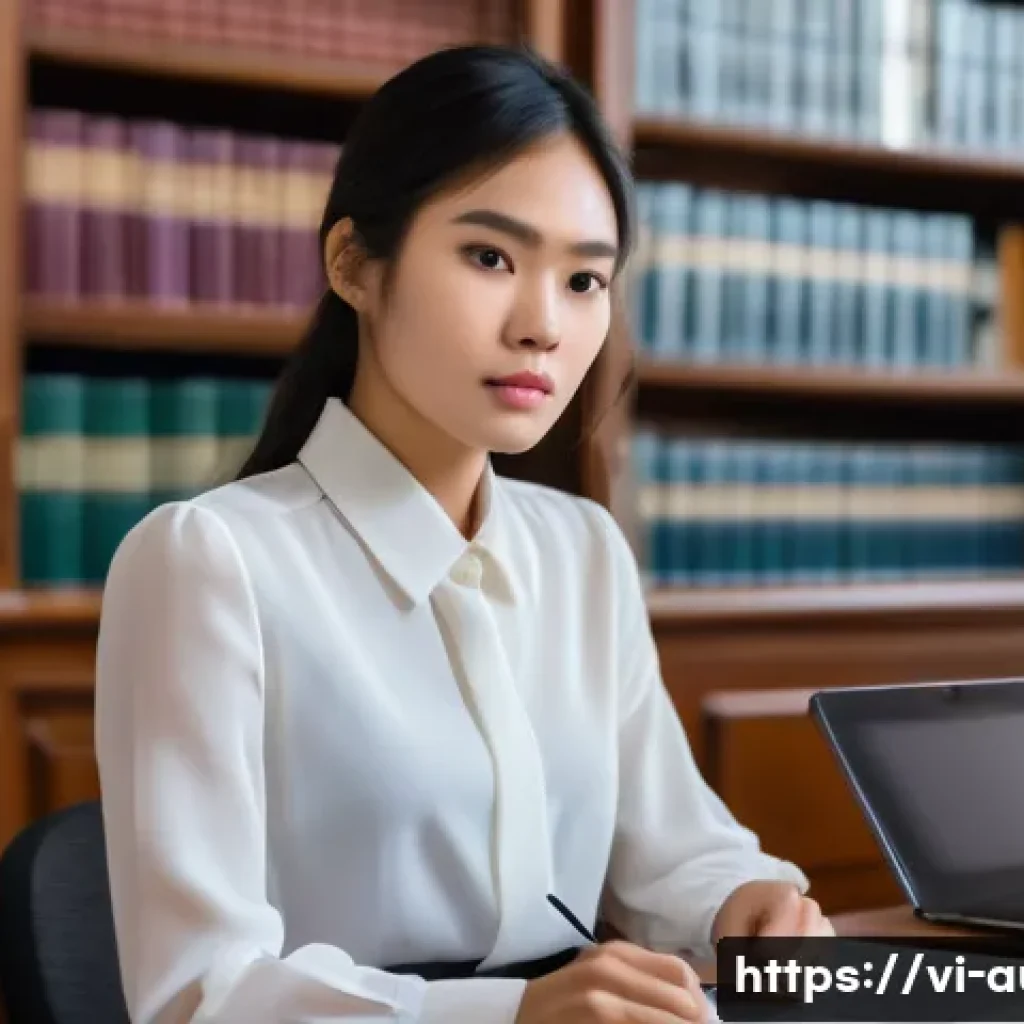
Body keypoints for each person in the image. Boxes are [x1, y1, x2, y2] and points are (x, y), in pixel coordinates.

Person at [94, 44, 832, 1024]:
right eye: (490, 258)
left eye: (584, 279)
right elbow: (199, 993)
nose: (543, 325)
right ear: (354, 263)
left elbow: (675, 850)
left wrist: (747, 904)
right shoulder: (209, 561)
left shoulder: (584, 552)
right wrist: (512, 1014)